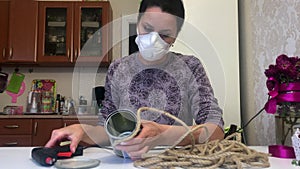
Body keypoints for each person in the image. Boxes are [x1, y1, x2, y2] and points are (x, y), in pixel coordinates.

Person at [45, 0, 224, 160]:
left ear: (175, 36)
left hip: (174, 162)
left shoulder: (190, 67)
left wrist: (162, 134)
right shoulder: (118, 69)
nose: (153, 39)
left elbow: (215, 131)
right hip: (126, 162)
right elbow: (108, 130)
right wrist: (84, 131)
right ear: (137, 23)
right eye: (147, 28)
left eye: (165, 34)